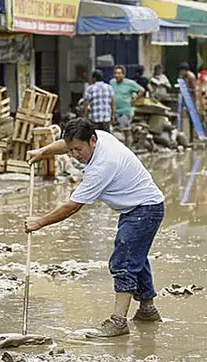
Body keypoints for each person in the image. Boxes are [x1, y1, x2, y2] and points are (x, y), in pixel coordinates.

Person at [25, 118, 166, 337]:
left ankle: (118, 322)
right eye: (72, 151)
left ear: (92, 141)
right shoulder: (100, 137)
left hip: (145, 209)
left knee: (124, 262)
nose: (75, 155)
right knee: (136, 257)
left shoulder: (102, 166)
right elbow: (66, 144)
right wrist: (42, 152)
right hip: (139, 207)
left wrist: (39, 222)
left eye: (78, 150)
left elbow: (72, 207)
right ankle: (147, 309)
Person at [110, 65, 145, 130]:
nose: (116, 75)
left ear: (123, 75)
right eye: (115, 73)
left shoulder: (130, 83)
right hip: (114, 112)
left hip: (125, 112)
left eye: (119, 73)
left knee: (124, 131)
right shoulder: (112, 82)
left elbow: (141, 90)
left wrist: (134, 100)